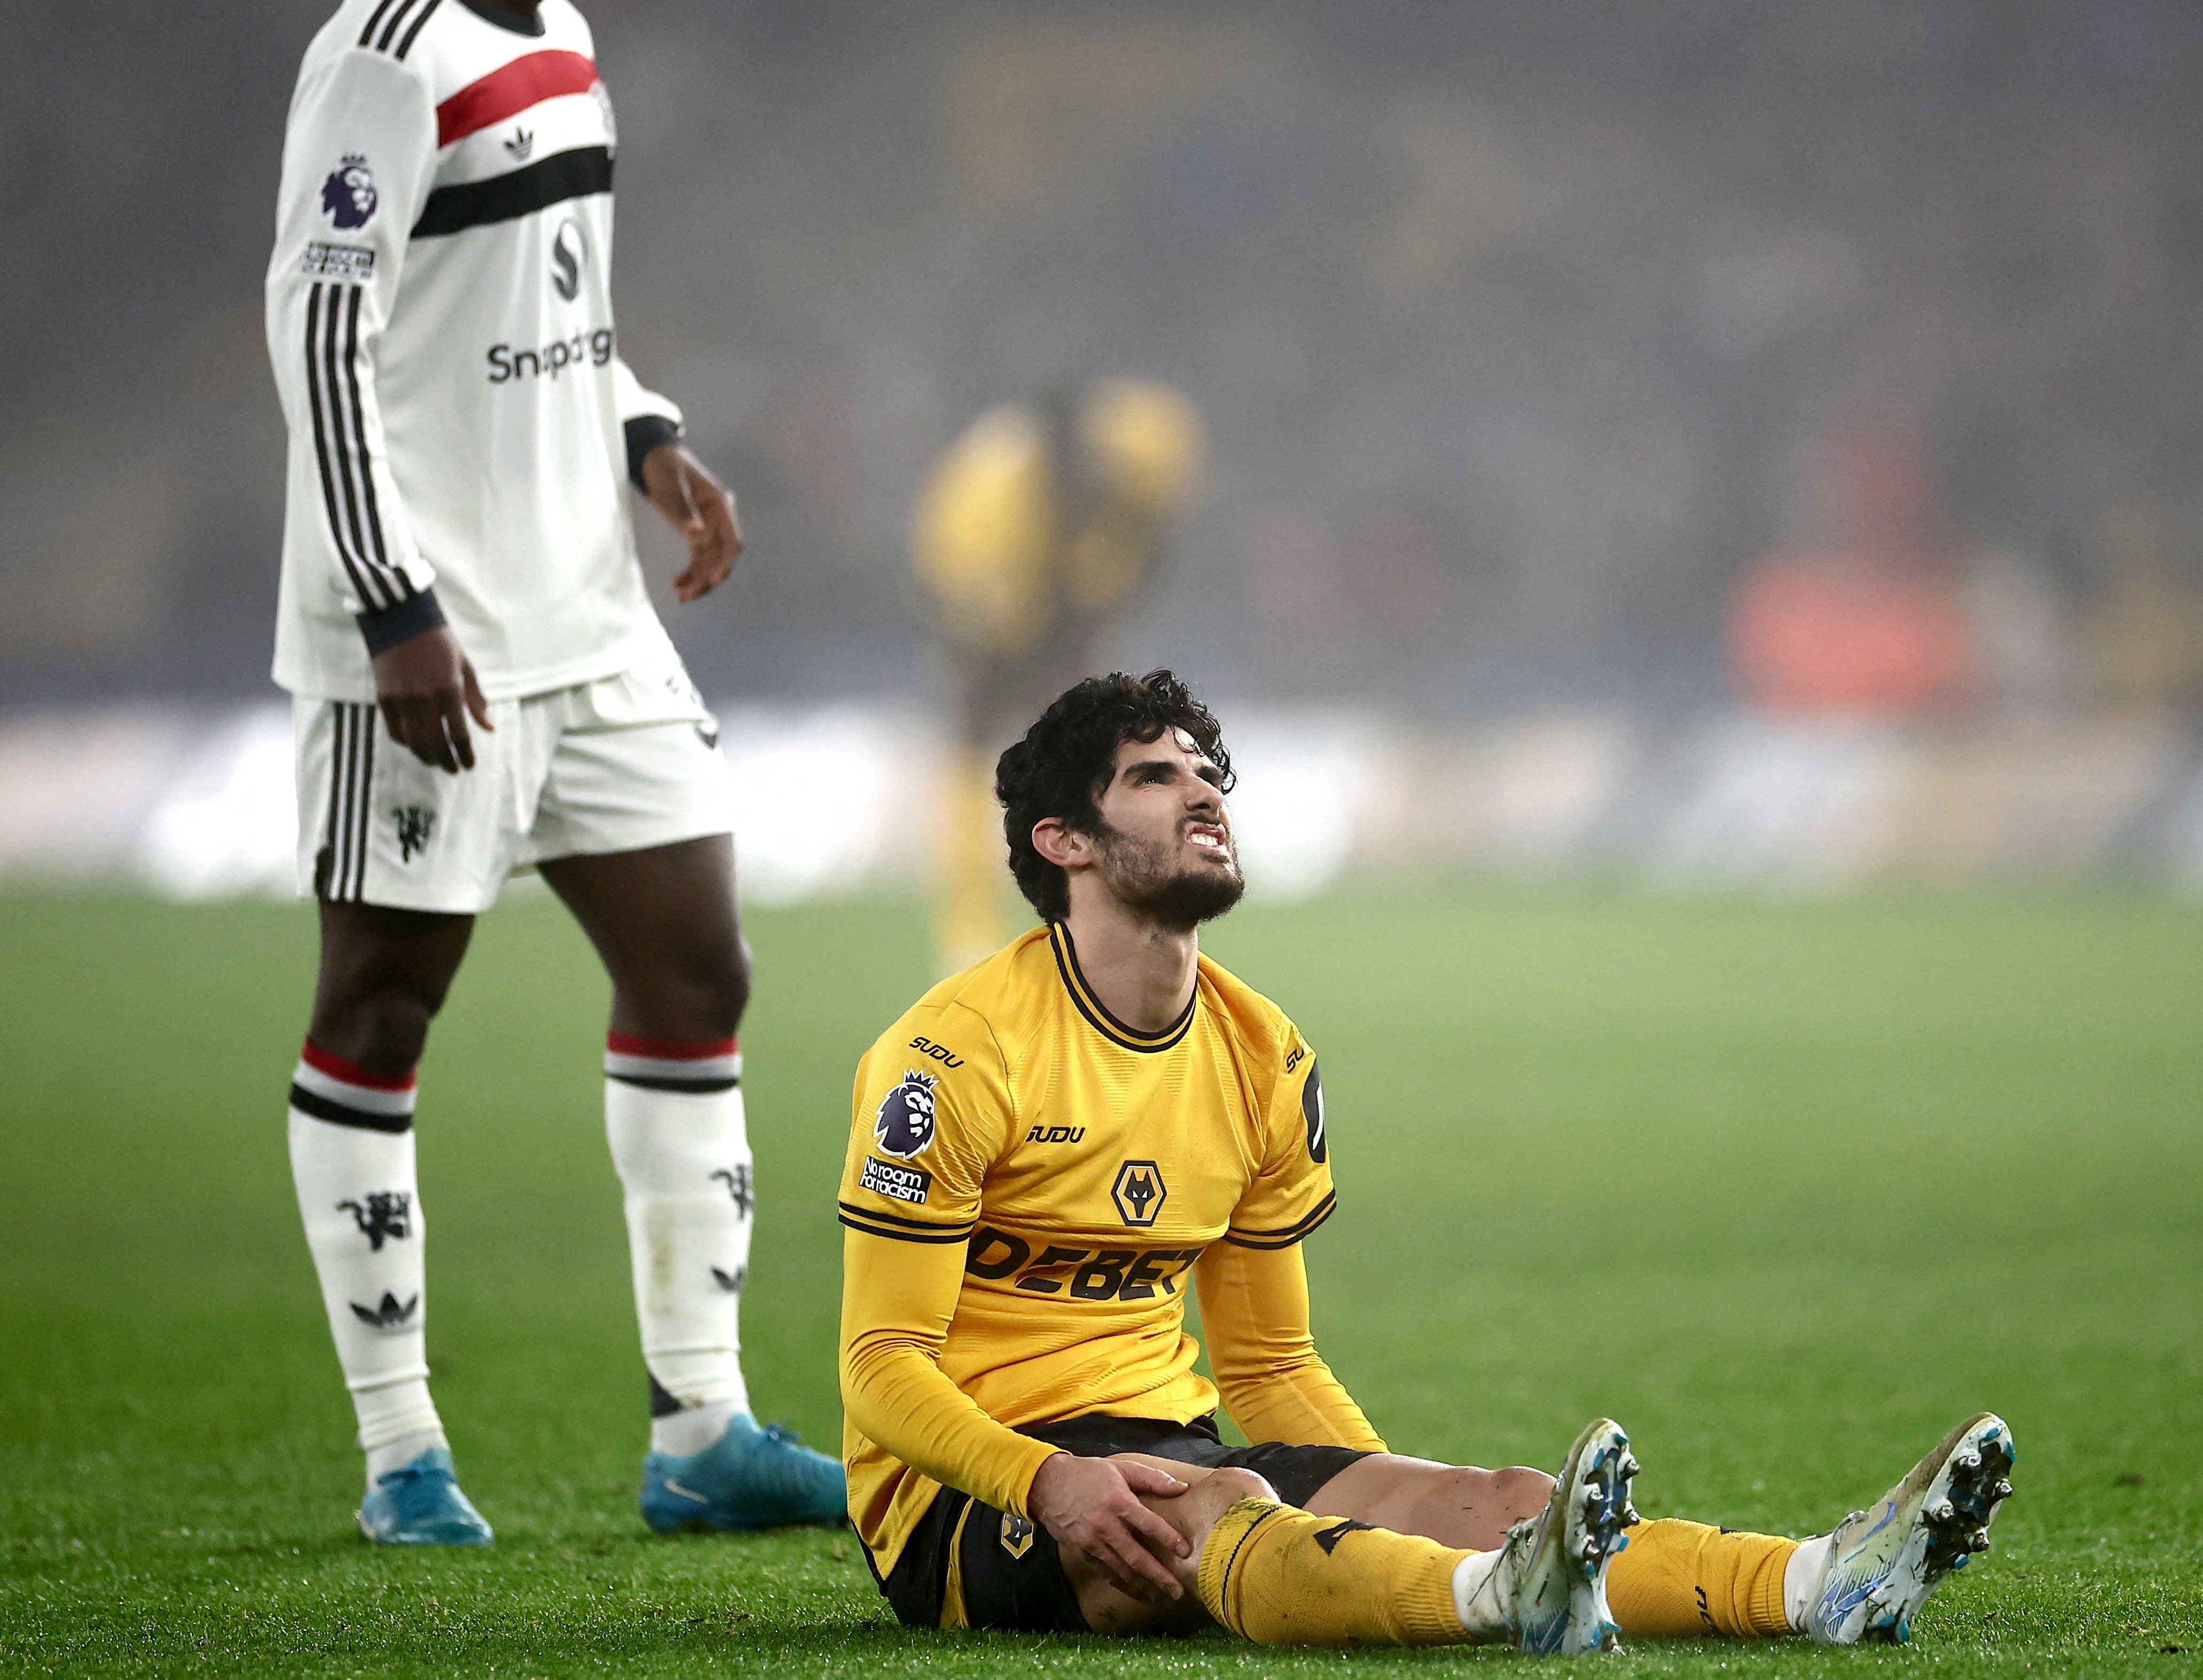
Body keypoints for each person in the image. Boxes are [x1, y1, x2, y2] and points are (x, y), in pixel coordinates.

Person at [834, 670, 2013, 1648]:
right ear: (1064, 840)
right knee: (1228, 1503)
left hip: (1168, 1439)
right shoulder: (955, 1055)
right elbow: (880, 1362)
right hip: (968, 1499)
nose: (1203, 793)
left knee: (1498, 1500)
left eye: (1207, 771)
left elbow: (1269, 1357)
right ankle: (1493, 1602)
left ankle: (1818, 1580)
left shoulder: (1261, 1054)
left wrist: (1393, 1491)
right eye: (1154, 776)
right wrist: (1048, 1481)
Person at [266, 0, 843, 1544]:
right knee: (380, 1007)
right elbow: (320, 339)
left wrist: (648, 433)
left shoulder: (568, 43)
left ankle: (700, 1426)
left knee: (698, 970)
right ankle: (399, 1449)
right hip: (424, 636)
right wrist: (393, 604)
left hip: (588, 620)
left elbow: (558, 311)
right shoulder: (379, 59)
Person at [910, 381, 1203, 974]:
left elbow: (1145, 552)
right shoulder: (990, 507)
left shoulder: (1140, 452)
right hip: (990, 596)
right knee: (982, 731)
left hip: (1056, 586)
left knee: (1096, 737)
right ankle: (969, 928)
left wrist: (1101, 606)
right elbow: (997, 632)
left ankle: (1110, 903)